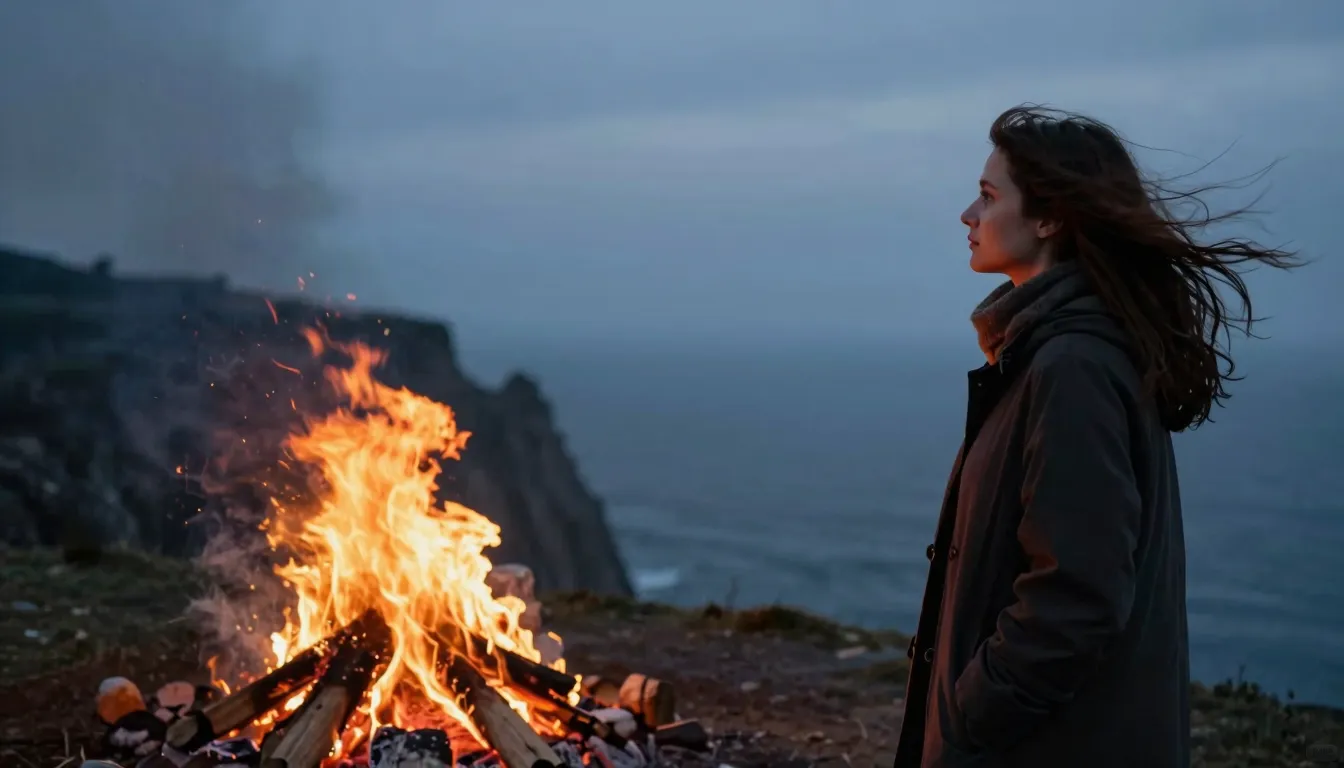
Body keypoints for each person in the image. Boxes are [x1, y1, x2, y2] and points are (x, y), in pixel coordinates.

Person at [892, 106, 1299, 768]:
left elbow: (1077, 595)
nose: (968, 215)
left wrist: (972, 712)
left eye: (989, 197)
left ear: (1050, 218)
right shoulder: (1053, 354)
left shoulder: (1072, 366)